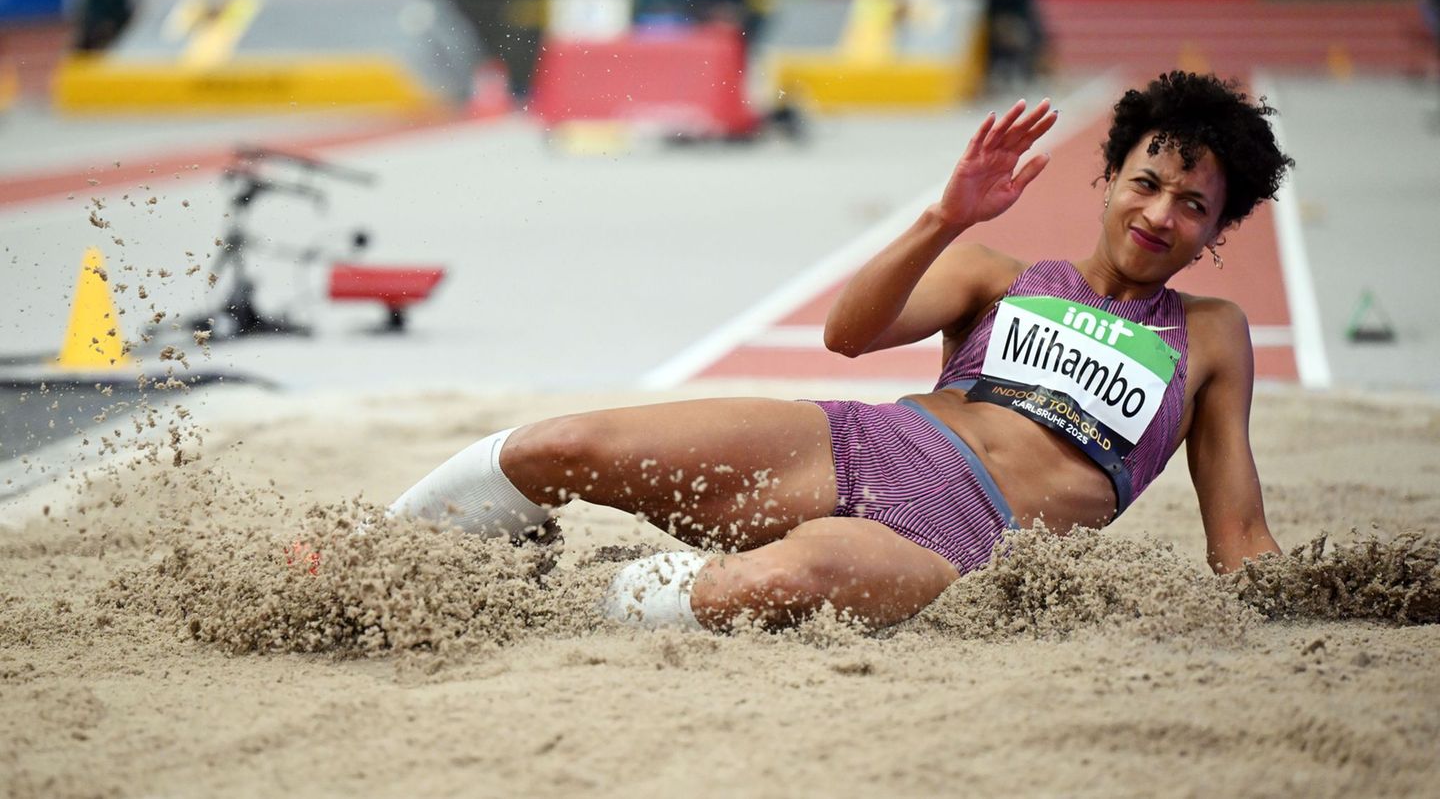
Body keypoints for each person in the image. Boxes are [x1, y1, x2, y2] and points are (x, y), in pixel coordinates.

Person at [388, 71, 1293, 633]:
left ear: (1218, 230)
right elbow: (848, 336)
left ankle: (560, 611)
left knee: (784, 579)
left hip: (973, 534)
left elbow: (1239, 539)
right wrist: (946, 219)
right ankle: (372, 561)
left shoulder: (1209, 335)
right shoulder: (997, 272)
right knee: (567, 445)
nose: (1159, 215)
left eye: (1192, 206)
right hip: (859, 443)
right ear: (1112, 177)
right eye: (1147, 183)